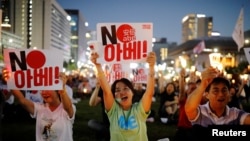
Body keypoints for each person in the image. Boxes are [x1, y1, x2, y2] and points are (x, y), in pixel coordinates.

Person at [90, 51, 156, 141]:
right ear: (114, 95)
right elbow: (106, 92)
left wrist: (151, 67)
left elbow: (149, 93)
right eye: (117, 90)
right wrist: (98, 66)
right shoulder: (113, 111)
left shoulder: (139, 110)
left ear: (132, 92)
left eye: (125, 88)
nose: (122, 92)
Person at [2, 68, 76, 141]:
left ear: (57, 91)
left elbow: (68, 107)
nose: (44, 92)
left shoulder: (65, 109)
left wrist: (62, 89)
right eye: (42, 90)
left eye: (47, 89)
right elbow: (22, 100)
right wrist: (9, 81)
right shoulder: (40, 108)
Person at [185, 67, 250, 138]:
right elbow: (189, 107)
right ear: (207, 95)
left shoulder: (235, 114)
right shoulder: (200, 113)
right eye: (215, 91)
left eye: (224, 90)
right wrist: (203, 85)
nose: (221, 94)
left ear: (229, 94)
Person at [173, 68, 197, 141]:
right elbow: (181, 91)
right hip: (182, 129)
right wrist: (182, 77)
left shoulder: (200, 101)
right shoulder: (184, 100)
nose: (192, 91)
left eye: (194, 89)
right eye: (190, 89)